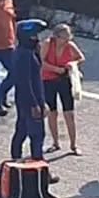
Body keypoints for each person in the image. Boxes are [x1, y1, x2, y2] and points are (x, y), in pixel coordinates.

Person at [11, 18, 58, 183]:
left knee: (21, 131)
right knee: (37, 136)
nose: (37, 39)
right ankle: (41, 172)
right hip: (30, 101)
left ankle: (15, 162)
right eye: (33, 36)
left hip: (25, 100)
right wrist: (35, 104)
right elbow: (25, 82)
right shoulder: (24, 55)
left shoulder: (26, 52)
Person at [40, 23, 85, 155]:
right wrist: (56, 69)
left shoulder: (69, 45)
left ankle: (73, 144)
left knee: (69, 113)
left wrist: (73, 63)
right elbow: (41, 62)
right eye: (64, 37)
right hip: (48, 79)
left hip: (64, 80)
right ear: (56, 36)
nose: (66, 40)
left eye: (68, 37)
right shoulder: (47, 44)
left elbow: (81, 58)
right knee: (52, 112)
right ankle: (55, 143)